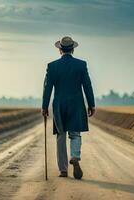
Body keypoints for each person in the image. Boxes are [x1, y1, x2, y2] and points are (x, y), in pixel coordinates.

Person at [42, 36, 95, 180]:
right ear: (72, 49)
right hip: (76, 104)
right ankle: (75, 156)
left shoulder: (52, 66)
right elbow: (87, 86)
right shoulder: (81, 65)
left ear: (60, 50)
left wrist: (44, 106)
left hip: (59, 104)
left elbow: (47, 88)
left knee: (61, 136)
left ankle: (63, 170)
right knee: (75, 134)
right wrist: (91, 104)